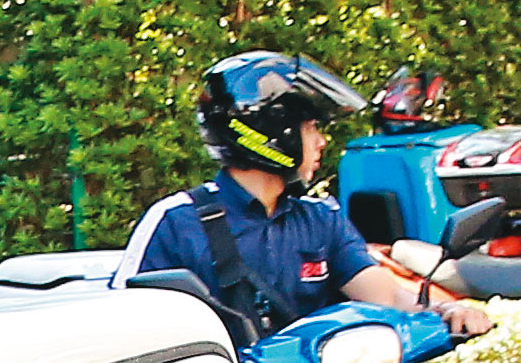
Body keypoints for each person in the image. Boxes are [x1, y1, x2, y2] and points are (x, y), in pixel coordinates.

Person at [118, 53, 450, 338]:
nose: (321, 142)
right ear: (274, 130)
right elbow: (127, 327)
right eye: (311, 129)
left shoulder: (321, 218)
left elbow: (384, 296)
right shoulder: (176, 222)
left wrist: (444, 309)